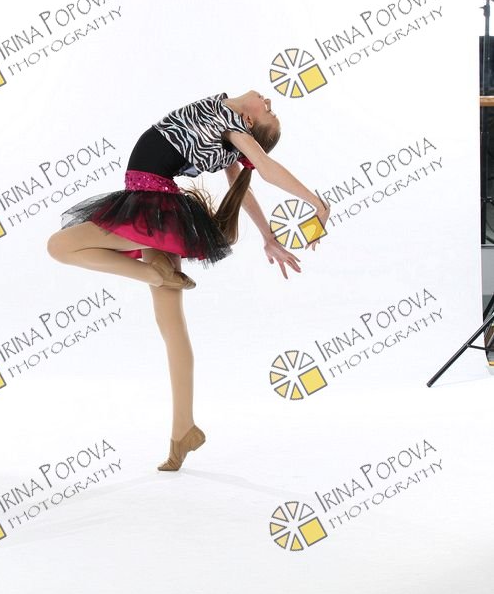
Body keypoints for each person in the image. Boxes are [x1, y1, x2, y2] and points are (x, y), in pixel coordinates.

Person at [47, 91, 329, 472]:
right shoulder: (226, 117)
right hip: (154, 203)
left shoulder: (233, 127)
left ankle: (152, 272)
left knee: (60, 245)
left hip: (151, 203)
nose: (268, 101)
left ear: (249, 122)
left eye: (269, 111)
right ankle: (184, 430)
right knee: (171, 326)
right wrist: (268, 237)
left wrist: (317, 203)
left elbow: (263, 167)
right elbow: (243, 189)